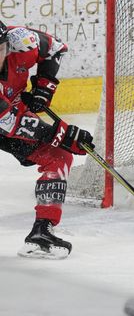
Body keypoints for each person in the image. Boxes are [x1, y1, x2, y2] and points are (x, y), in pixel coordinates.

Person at [0, 20, 94, 259]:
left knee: (58, 157)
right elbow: (9, 123)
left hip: (9, 113)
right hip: (5, 119)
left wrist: (43, 88)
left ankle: (41, 232)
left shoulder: (19, 40)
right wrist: (60, 134)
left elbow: (55, 49)